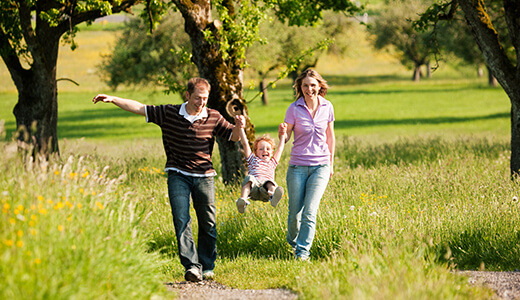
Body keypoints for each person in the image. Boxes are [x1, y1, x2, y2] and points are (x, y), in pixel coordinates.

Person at [92, 78, 244, 282]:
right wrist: (113, 99)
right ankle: (192, 266)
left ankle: (207, 265)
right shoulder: (169, 113)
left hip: (205, 176)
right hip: (177, 174)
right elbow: (139, 107)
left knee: (207, 221)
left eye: (205, 99)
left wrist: (239, 126)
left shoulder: (213, 116)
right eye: (198, 98)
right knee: (181, 218)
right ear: (187, 95)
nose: (201, 103)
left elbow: (232, 137)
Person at [281, 69, 335, 261]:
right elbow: (287, 136)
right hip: (297, 167)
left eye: (313, 85)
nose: (309, 89)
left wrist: (331, 163)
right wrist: (282, 134)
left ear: (320, 86)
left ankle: (302, 254)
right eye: (305, 85)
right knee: (295, 215)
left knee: (310, 212)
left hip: (321, 166)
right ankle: (293, 243)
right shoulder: (294, 108)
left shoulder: (327, 107)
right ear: (300, 87)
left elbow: (330, 136)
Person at [235, 118, 287, 214]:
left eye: (268, 149)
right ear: (255, 152)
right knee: (249, 178)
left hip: (265, 191)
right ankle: (242, 200)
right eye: (261, 149)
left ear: (272, 152)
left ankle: (273, 197)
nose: (264, 151)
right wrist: (241, 127)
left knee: (270, 182)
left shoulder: (272, 163)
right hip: (253, 190)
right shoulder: (252, 160)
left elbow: (280, 148)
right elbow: (245, 144)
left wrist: (283, 135)